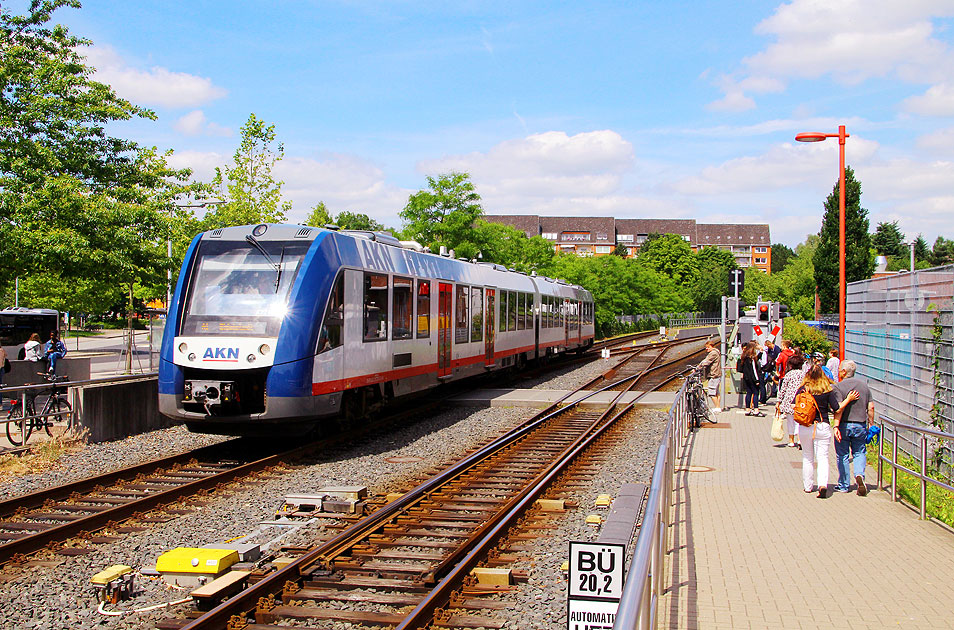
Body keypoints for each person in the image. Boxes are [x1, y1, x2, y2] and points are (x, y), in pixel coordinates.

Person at [795, 364, 855, 498]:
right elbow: (837, 409)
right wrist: (848, 400)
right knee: (822, 457)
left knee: (807, 457)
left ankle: (808, 486)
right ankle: (822, 485)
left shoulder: (803, 389)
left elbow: (795, 405)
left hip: (805, 426)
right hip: (822, 426)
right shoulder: (827, 390)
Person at [833, 360, 874, 495]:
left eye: (839, 369)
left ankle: (844, 485)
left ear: (844, 372)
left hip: (844, 424)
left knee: (842, 455)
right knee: (859, 452)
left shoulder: (838, 387)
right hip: (860, 424)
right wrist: (871, 424)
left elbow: (838, 409)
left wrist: (835, 426)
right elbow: (871, 407)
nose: (838, 372)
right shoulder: (864, 386)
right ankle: (859, 476)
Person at [776, 354, 806, 448]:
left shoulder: (789, 374)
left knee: (790, 421)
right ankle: (800, 439)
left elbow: (783, 389)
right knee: (799, 421)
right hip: (801, 399)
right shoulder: (804, 374)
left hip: (789, 400)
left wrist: (779, 401)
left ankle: (791, 440)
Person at [737, 342, 763, 416]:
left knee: (748, 393)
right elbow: (754, 370)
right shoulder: (752, 358)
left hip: (746, 378)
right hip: (753, 378)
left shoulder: (744, 357)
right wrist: (757, 380)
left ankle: (747, 409)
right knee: (755, 393)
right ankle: (756, 410)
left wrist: (760, 353)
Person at [697, 339, 722, 413]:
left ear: (711, 346)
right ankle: (718, 406)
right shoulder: (716, 352)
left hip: (713, 375)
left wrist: (698, 367)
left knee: (711, 392)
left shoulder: (713, 353)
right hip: (717, 374)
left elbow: (706, 362)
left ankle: (717, 407)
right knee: (717, 392)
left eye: (708, 347)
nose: (706, 349)